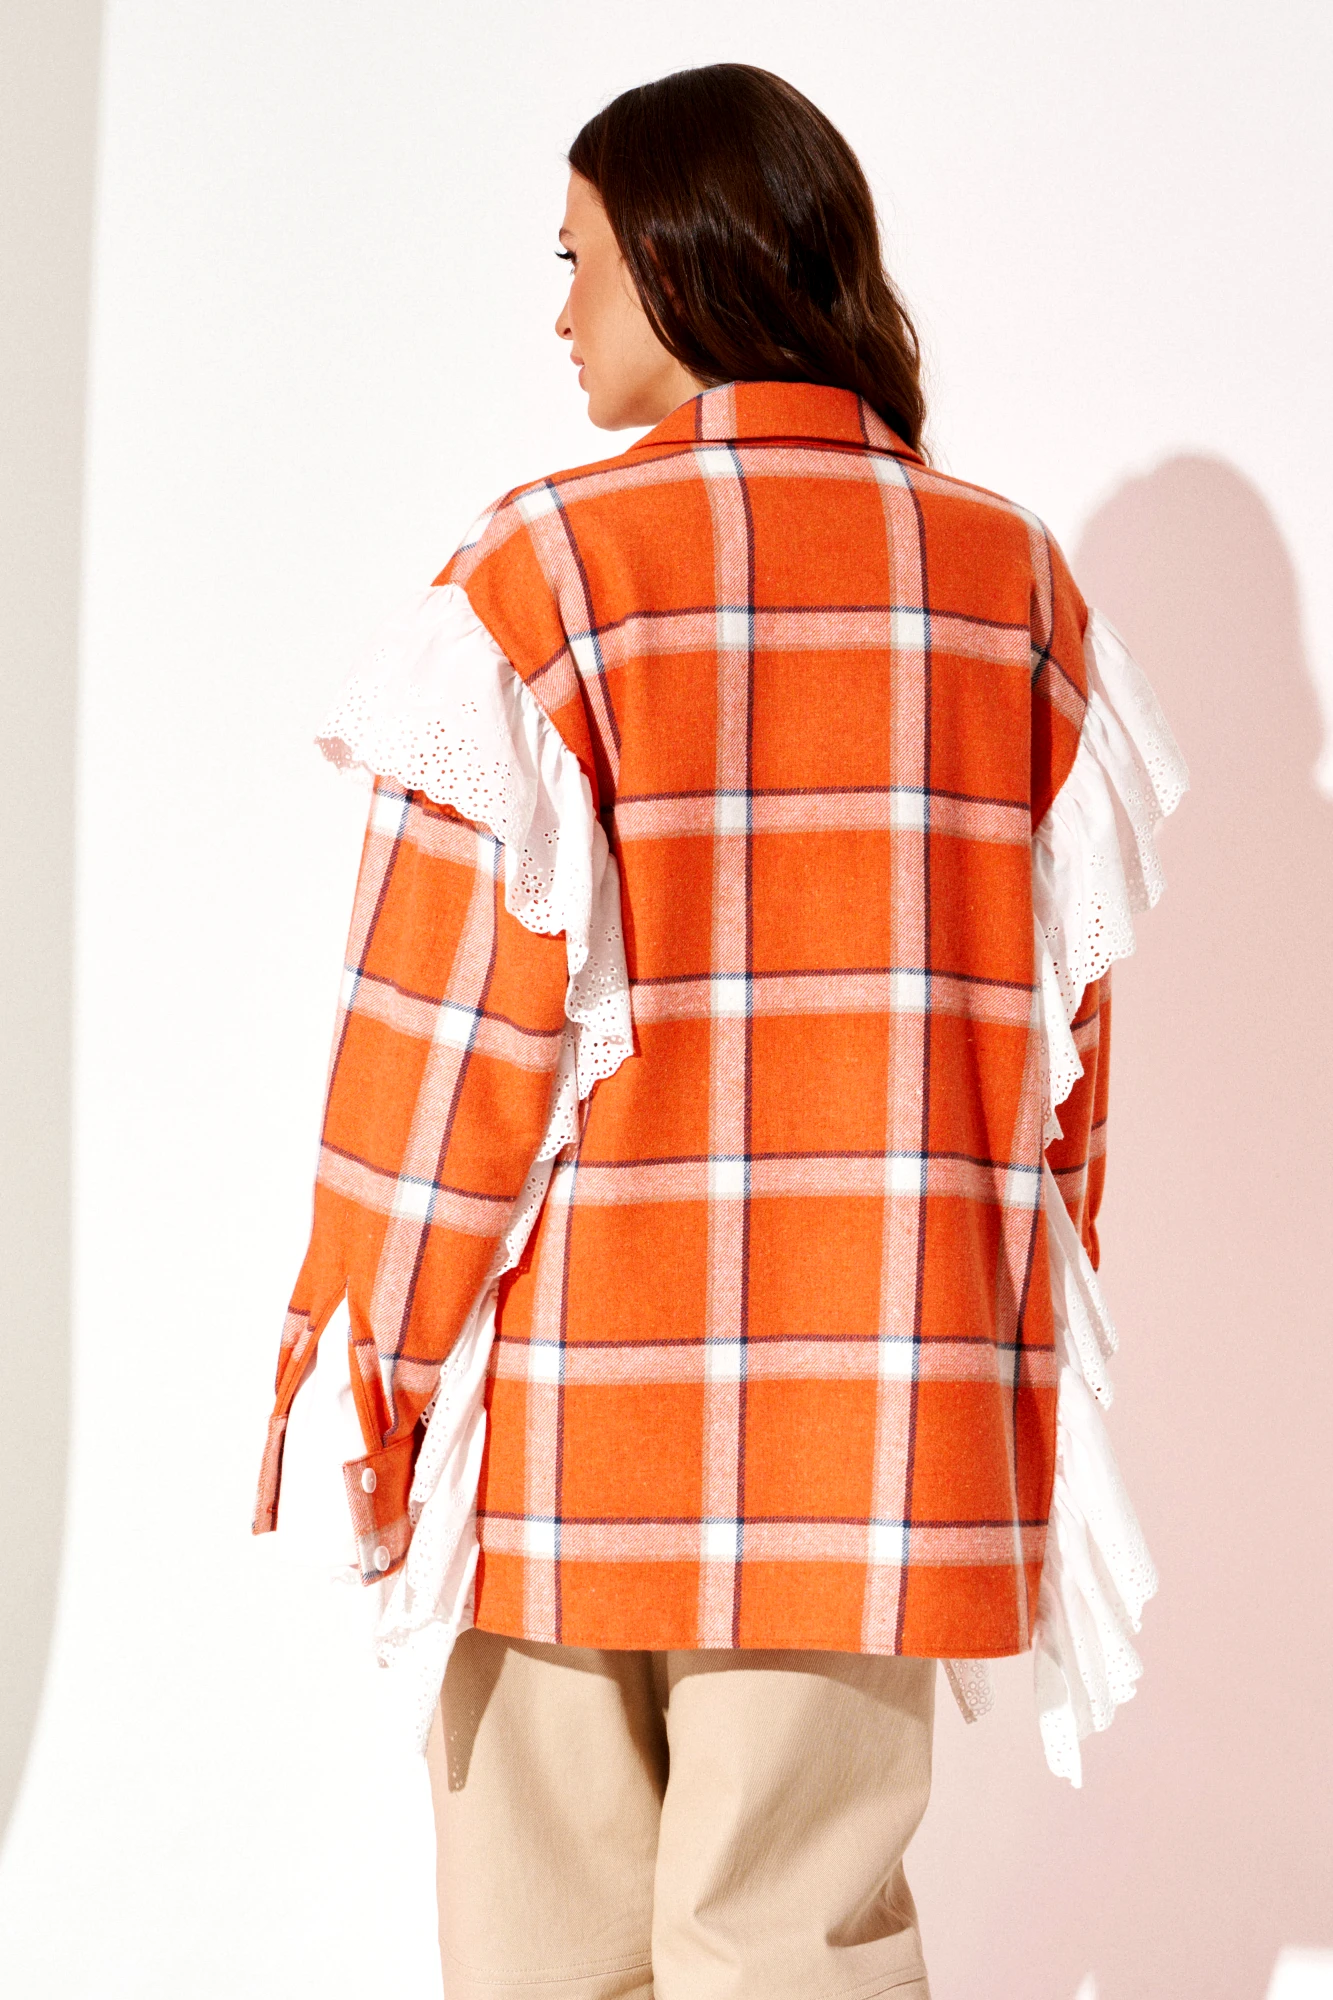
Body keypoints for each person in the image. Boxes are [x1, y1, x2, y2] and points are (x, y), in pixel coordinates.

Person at [254, 62, 1186, 2000]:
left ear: (685, 258)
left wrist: (372, 1368)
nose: (558, 309)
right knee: (793, 1953)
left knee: (547, 1952)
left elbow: (440, 1039)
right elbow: (1060, 1070)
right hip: (874, 1420)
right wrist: (997, 1375)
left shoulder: (545, 576)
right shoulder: (1010, 590)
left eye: (576, 257)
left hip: (569, 1421)